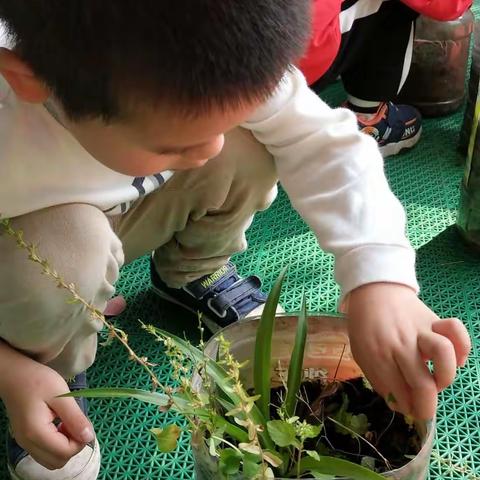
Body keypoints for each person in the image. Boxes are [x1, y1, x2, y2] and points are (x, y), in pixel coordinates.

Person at [0, 1, 471, 479]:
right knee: (65, 256)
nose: (211, 149)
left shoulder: (213, 44)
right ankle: (50, 369)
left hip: (129, 209)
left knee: (252, 142)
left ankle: (191, 270)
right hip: (32, 244)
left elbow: (327, 145)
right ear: (29, 79)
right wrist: (9, 370)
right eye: (172, 143)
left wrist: (380, 279)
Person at [298, 0, 472, 157]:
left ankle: (335, 67)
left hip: (278, 49)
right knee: (397, 4)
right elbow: (449, 5)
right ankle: (368, 119)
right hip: (286, 66)